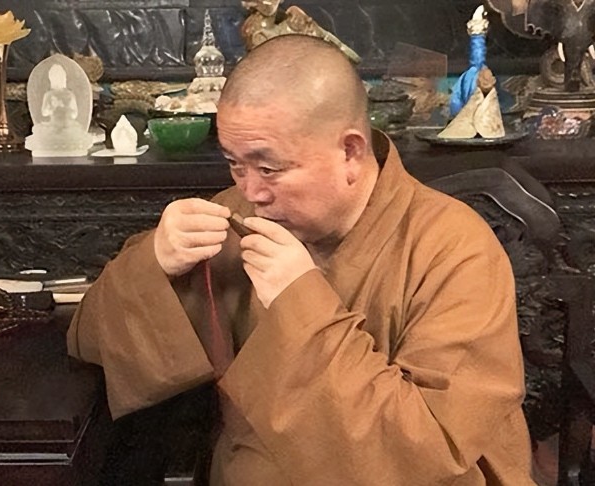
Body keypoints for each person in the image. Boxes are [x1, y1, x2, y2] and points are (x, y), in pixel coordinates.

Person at [67, 35, 535, 485]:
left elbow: (427, 457)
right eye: (235, 164)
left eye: (269, 168)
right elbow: (90, 337)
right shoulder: (236, 221)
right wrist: (155, 264)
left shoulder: (456, 251)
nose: (251, 191)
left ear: (350, 152)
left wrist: (299, 301)